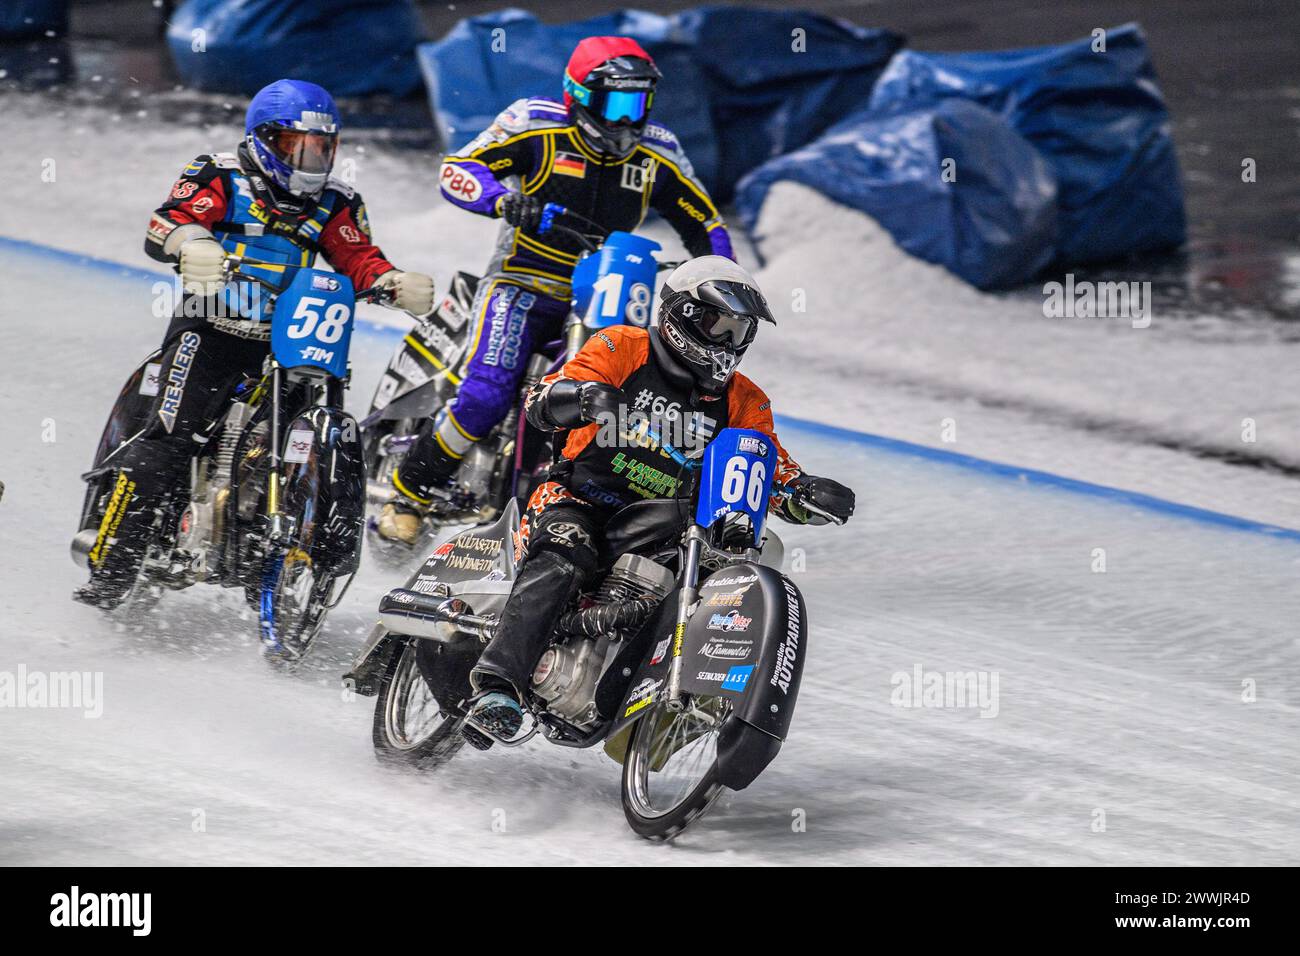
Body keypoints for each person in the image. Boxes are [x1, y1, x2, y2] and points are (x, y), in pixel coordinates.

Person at [75, 78, 435, 609]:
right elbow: (166, 222)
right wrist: (190, 242)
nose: (312, 161)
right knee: (171, 440)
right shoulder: (219, 174)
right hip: (211, 328)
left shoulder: (337, 201)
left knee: (298, 438)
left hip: (290, 341)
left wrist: (391, 281)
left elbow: (357, 258)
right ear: (265, 140)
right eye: (299, 147)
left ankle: (281, 534)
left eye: (322, 148)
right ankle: (112, 564)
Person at [464, 256, 857, 739]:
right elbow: (543, 397)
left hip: (669, 521)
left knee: (745, 556)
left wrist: (799, 490)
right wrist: (583, 397)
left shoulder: (745, 400)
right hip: (579, 498)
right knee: (565, 554)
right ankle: (497, 686)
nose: (731, 344)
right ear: (684, 316)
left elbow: (763, 458)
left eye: (742, 332)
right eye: (722, 325)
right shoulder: (622, 345)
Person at [378, 35, 735, 545]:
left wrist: (717, 274)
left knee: (631, 398)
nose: (627, 118)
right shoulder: (535, 124)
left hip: (610, 293)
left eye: (639, 103)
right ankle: (408, 493)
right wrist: (505, 200)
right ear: (580, 96)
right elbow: (458, 170)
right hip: (522, 284)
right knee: (487, 392)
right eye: (616, 102)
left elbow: (705, 221)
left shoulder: (660, 151)